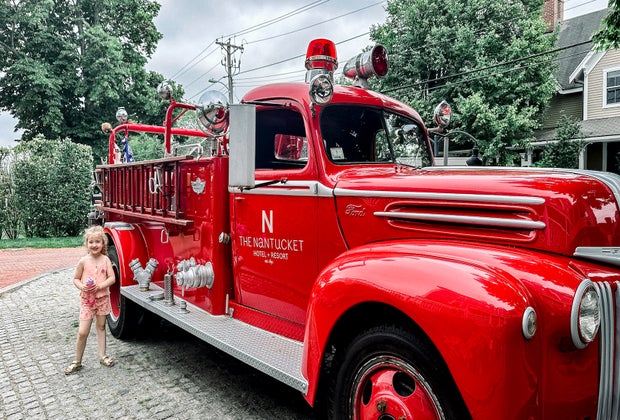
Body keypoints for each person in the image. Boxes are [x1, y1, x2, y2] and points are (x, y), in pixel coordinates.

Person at [65, 226, 116, 374]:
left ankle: (102, 355)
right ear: (87, 243)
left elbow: (112, 278)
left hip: (102, 299)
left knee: (101, 327)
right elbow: (75, 279)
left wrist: (100, 286)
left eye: (97, 242)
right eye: (91, 242)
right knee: (82, 332)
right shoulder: (83, 261)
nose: (94, 245)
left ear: (103, 244)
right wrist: (82, 287)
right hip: (87, 301)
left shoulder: (105, 259)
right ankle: (77, 361)